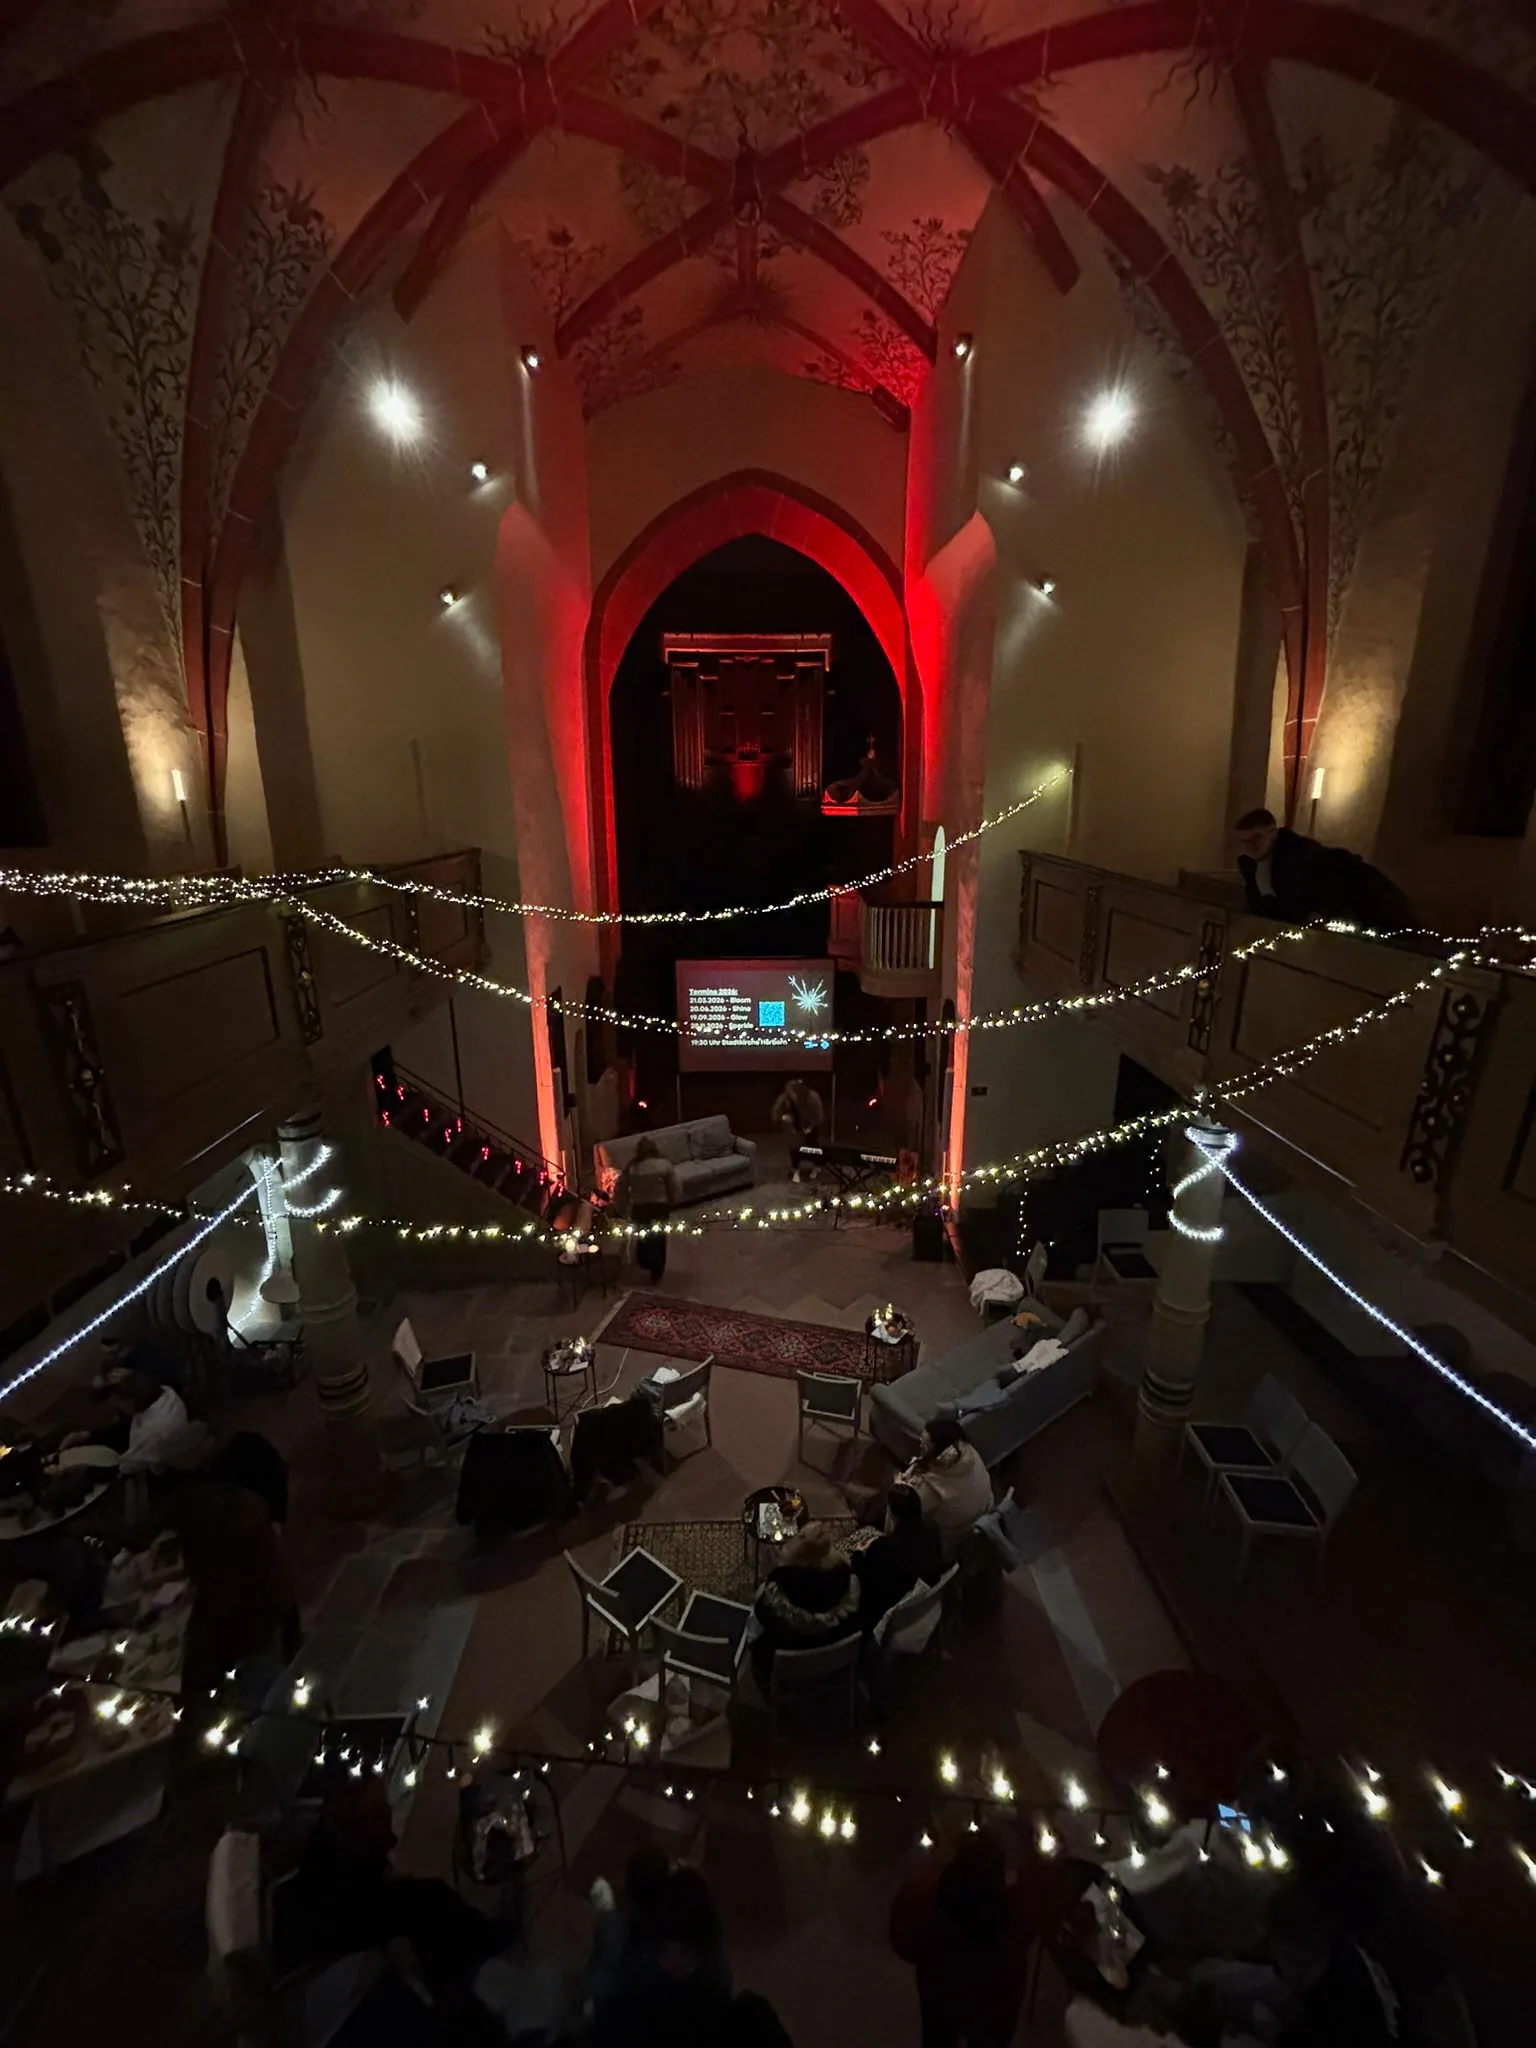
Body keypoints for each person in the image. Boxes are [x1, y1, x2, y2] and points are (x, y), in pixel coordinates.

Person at [889, 1826, 1041, 2048]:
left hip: (940, 1994)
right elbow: (1030, 1923)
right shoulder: (1014, 1914)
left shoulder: (927, 1901)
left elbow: (903, 1941)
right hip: (995, 2005)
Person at [1233, 808, 1413, 933]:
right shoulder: (1249, 864)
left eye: (1256, 838)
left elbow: (1301, 904)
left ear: (1273, 832)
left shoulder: (1300, 855)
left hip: (1370, 905)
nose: (1249, 846)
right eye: (1244, 841)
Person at [750, 1520, 861, 1694]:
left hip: (789, 1665)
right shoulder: (845, 1575)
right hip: (833, 1662)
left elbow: (761, 1614)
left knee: (755, 1617)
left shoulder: (782, 1581)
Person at [898, 1414, 993, 1560]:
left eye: (925, 1446)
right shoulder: (967, 1450)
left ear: (937, 1452)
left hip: (950, 1541)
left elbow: (907, 1511)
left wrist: (900, 1484)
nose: (920, 1446)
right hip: (983, 1514)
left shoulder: (931, 1489)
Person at [852, 1481, 943, 1631]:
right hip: (914, 1596)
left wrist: (858, 1554)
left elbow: (866, 1579)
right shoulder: (932, 1530)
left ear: (894, 1515)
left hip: (884, 1608)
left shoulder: (883, 1547)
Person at [618, 1135, 683, 1283]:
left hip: (640, 1208)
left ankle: (644, 1260)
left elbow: (621, 1188)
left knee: (643, 1236)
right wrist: (674, 1201)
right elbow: (675, 1186)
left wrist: (622, 1207)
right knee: (659, 1238)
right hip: (660, 1207)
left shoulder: (632, 1167)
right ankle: (657, 1271)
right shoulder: (665, 1165)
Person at [771, 1078, 825, 1180]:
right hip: (796, 1124)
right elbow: (776, 1112)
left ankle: (816, 1167)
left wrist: (810, 1127)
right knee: (795, 1147)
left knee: (813, 1146)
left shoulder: (812, 1097)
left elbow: (819, 1116)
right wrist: (782, 1117)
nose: (791, 1095)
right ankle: (795, 1169)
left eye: (793, 1092)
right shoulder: (785, 1098)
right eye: (789, 1092)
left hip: (811, 1123)